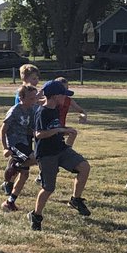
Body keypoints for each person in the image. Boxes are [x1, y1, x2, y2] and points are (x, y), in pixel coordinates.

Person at [31, 79, 91, 230]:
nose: (66, 98)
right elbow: (39, 134)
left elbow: (56, 127)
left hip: (60, 148)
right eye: (64, 95)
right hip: (46, 154)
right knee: (48, 188)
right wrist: (60, 130)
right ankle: (36, 215)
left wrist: (66, 129)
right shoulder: (42, 112)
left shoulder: (56, 109)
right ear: (55, 96)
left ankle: (75, 199)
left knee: (84, 167)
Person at [0, 84, 39, 212]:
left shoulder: (32, 110)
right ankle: (14, 167)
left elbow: (31, 128)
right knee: (36, 158)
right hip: (15, 143)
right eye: (31, 98)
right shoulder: (15, 111)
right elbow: (3, 130)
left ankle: (9, 202)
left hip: (26, 142)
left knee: (25, 174)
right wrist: (5, 148)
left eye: (35, 98)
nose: (34, 101)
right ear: (21, 97)